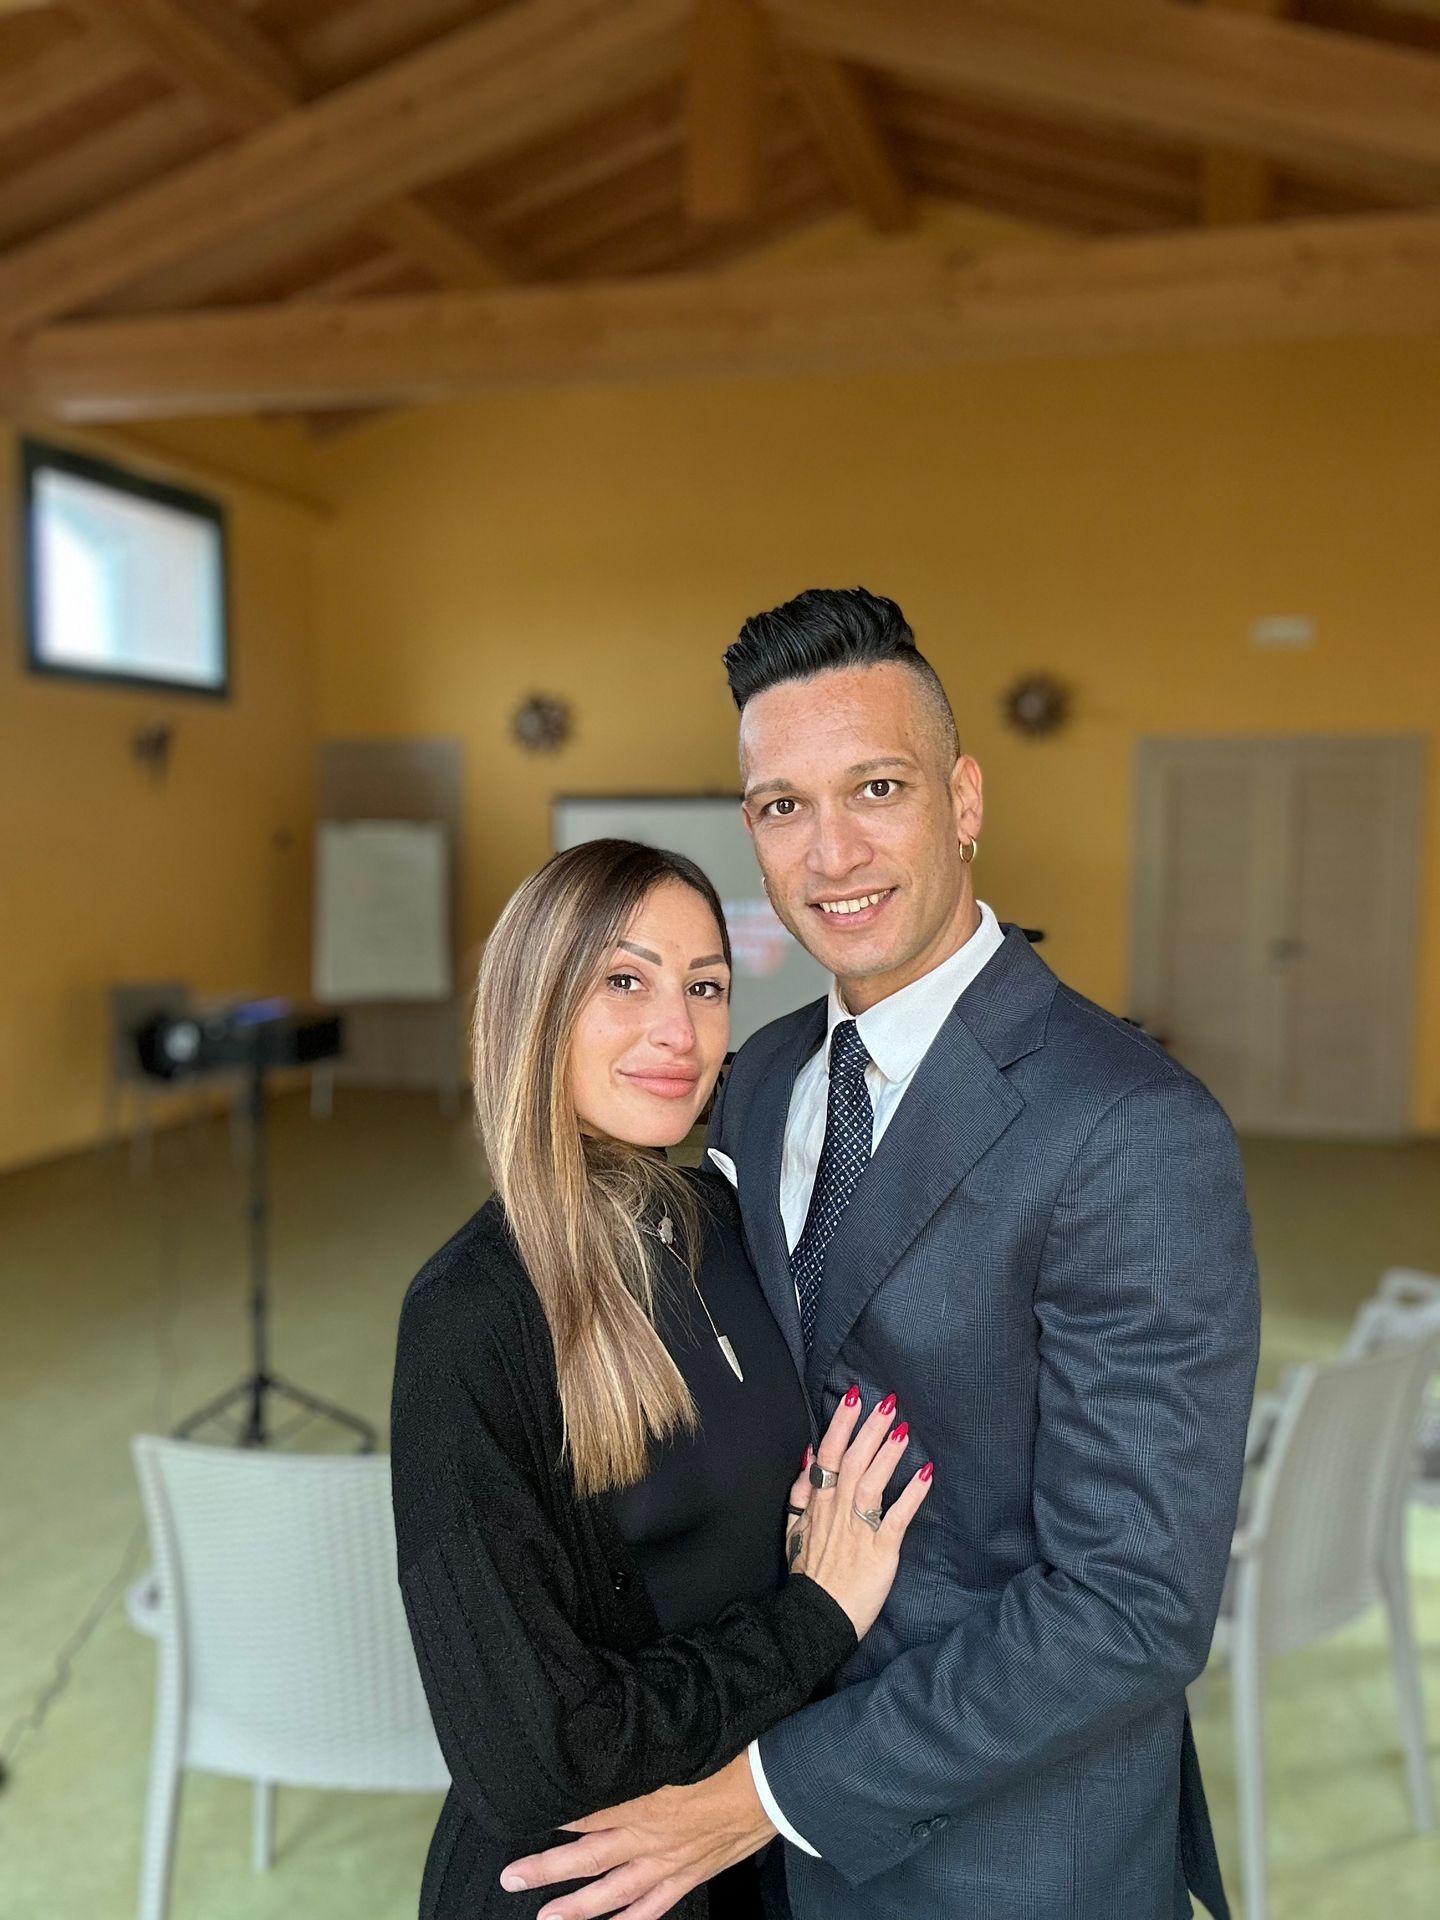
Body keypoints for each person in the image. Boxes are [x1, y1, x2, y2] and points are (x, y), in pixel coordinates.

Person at [501, 590, 1261, 1920]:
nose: (831, 848)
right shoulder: (757, 1078)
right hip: (750, 1811)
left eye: (877, 786)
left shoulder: (1130, 1127)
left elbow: (1133, 1601)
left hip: (1010, 1852)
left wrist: (767, 1792)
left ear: (963, 799)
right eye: (783, 805)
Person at [390, 836, 933, 1920]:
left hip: (754, 1854)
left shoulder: (723, 1225)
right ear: (534, 1006)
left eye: (706, 987)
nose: (677, 1032)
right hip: (586, 1893)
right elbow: (537, 1758)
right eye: (624, 981)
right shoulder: (472, 1319)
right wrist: (814, 1613)